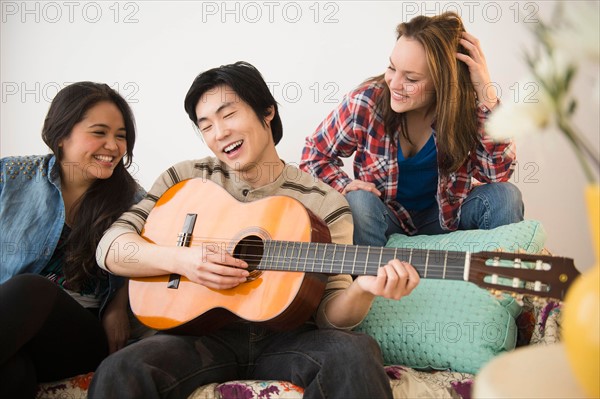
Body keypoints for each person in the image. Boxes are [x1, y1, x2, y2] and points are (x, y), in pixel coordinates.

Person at [88, 61, 420, 399]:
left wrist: (363, 288)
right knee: (120, 369)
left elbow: (330, 317)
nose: (219, 133)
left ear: (267, 112)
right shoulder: (184, 180)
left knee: (354, 353)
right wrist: (183, 260)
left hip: (289, 337)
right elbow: (111, 248)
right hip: (198, 336)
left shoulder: (325, 202)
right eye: (206, 126)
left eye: (228, 114)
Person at [300, 12, 524, 247]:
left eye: (411, 79)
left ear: (441, 83)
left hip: (447, 217)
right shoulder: (366, 103)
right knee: (359, 202)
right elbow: (314, 155)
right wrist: (343, 185)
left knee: (505, 195)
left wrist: (487, 95)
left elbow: (497, 175)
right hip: (386, 218)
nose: (394, 83)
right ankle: (372, 282)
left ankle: (501, 279)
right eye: (391, 67)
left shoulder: (466, 110)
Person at [0, 82, 145, 398]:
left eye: (121, 136)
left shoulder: (136, 201)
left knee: (32, 287)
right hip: (12, 326)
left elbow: (146, 260)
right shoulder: (11, 176)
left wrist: (118, 305)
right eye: (99, 132)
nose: (113, 145)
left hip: (78, 335)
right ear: (61, 135)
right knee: (14, 374)